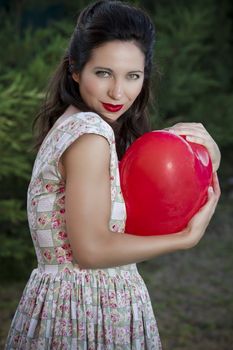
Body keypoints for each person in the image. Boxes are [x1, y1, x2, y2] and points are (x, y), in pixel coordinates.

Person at [5, 0, 221, 349]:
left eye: (132, 76)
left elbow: (145, 198)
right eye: (103, 73)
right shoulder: (90, 134)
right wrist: (186, 239)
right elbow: (90, 250)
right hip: (85, 312)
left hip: (67, 304)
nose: (118, 93)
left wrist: (209, 153)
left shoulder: (73, 124)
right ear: (75, 69)